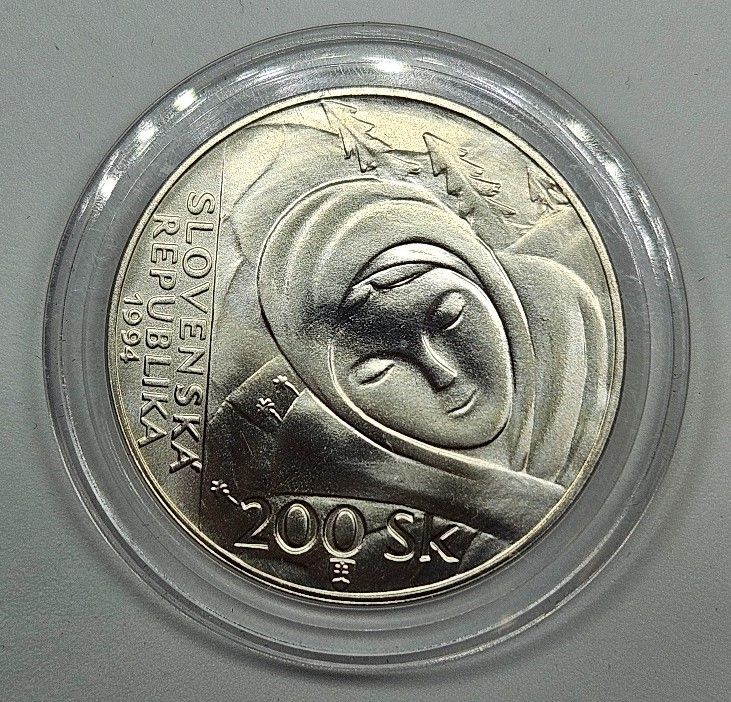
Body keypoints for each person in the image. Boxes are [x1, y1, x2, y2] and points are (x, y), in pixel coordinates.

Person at [201, 177, 609, 590]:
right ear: (333, 396)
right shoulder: (322, 516)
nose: (442, 373)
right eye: (378, 368)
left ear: (491, 286)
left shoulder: (569, 328)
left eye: (449, 317)